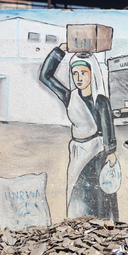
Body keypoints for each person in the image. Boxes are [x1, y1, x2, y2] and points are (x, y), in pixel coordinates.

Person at [39, 43, 119, 221]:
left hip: (97, 154)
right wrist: (60, 51)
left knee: (97, 197)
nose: (79, 78)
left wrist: (111, 153)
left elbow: (108, 130)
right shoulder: (70, 97)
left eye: (83, 73)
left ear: (92, 73)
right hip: (77, 153)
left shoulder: (100, 101)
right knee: (76, 193)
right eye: (75, 73)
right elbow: (45, 76)